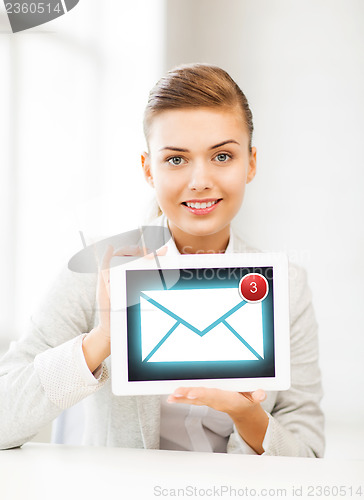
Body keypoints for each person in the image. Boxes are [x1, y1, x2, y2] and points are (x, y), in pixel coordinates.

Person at [0, 63, 324, 456]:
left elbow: (307, 451)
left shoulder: (286, 285)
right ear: (147, 169)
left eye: (222, 156)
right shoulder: (98, 270)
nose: (200, 179)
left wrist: (249, 416)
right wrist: (101, 340)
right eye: (175, 159)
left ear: (250, 163)